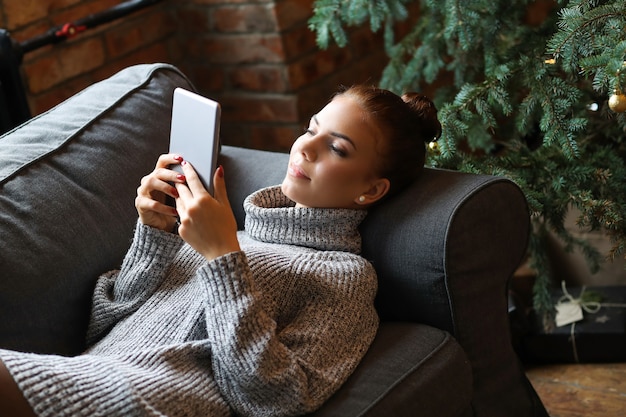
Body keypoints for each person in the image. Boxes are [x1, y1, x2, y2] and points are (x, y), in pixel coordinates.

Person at [0, 84, 441, 417]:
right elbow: (102, 326)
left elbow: (277, 398)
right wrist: (154, 233)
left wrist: (223, 259)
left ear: (371, 189)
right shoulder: (222, 229)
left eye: (337, 149)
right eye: (311, 129)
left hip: (151, 397)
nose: (304, 147)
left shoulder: (344, 276)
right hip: (86, 370)